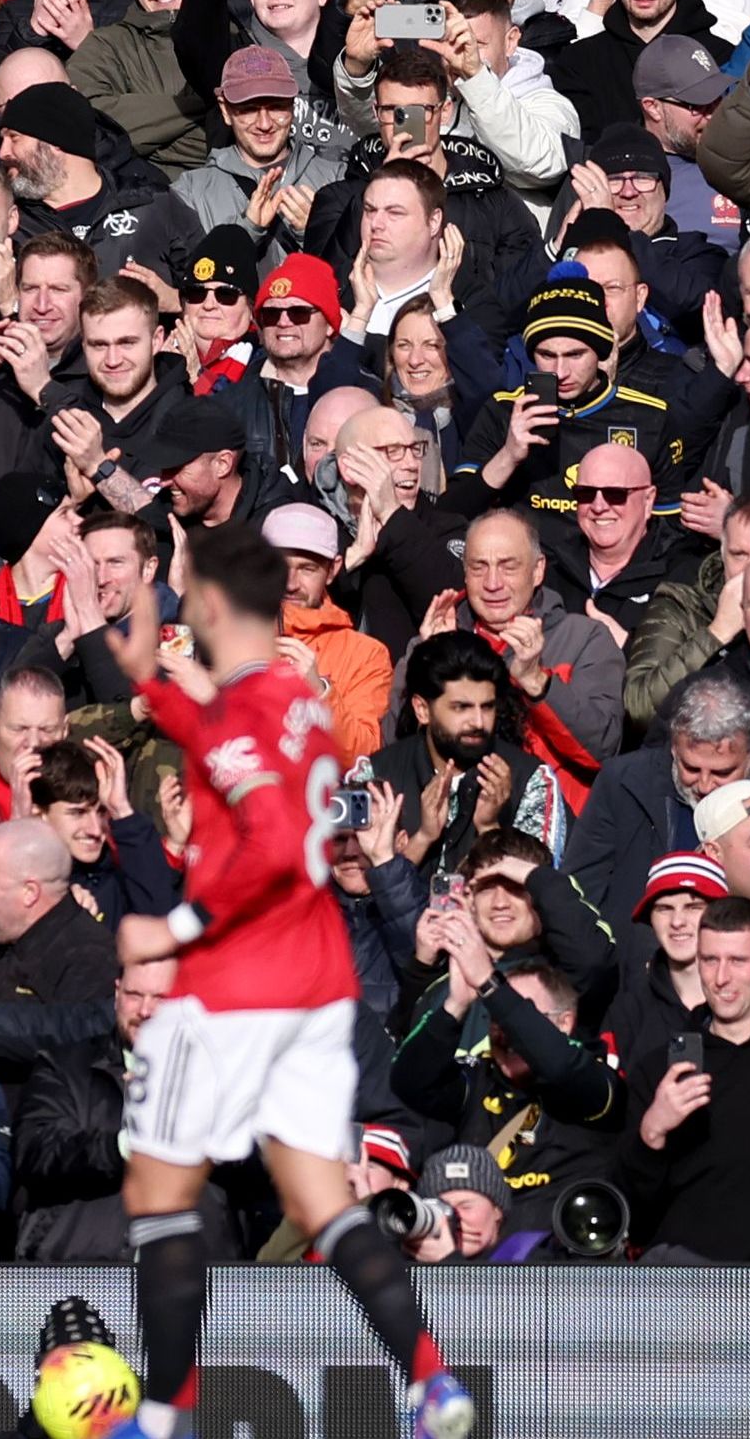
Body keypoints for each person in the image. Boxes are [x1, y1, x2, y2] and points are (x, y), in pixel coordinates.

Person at [105, 522, 479, 1439]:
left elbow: (268, 832)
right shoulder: (296, 697)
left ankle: (164, 1411)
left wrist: (176, 922)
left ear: (215, 605)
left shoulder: (253, 705)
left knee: (157, 1189)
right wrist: (157, 680)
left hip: (240, 981)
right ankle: (433, 1381)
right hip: (316, 982)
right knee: (321, 1198)